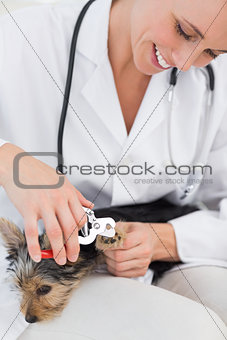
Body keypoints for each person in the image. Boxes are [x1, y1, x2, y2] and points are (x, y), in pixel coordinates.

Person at [0, 0, 227, 338]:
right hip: (38, 274)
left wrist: (166, 239)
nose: (185, 62)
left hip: (173, 256)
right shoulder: (25, 37)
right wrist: (7, 160)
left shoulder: (216, 82)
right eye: (184, 30)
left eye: (212, 52)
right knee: (192, 331)